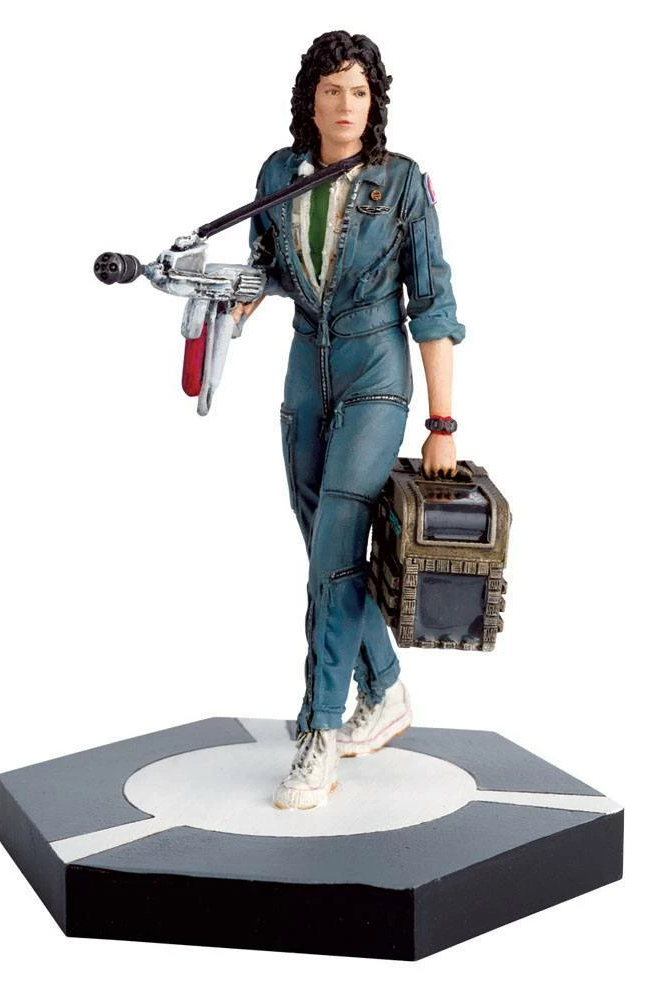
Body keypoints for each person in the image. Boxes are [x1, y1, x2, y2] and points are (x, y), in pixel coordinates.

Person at [232, 31, 465, 809]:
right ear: (310, 99)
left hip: (375, 374)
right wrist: (245, 291)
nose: (345, 104)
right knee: (323, 544)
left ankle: (319, 732)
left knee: (335, 547)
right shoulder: (278, 173)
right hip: (307, 369)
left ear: (375, 102)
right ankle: (387, 687)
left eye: (358, 91)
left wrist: (442, 422)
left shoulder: (401, 183)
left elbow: (433, 303)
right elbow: (268, 260)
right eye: (331, 89)